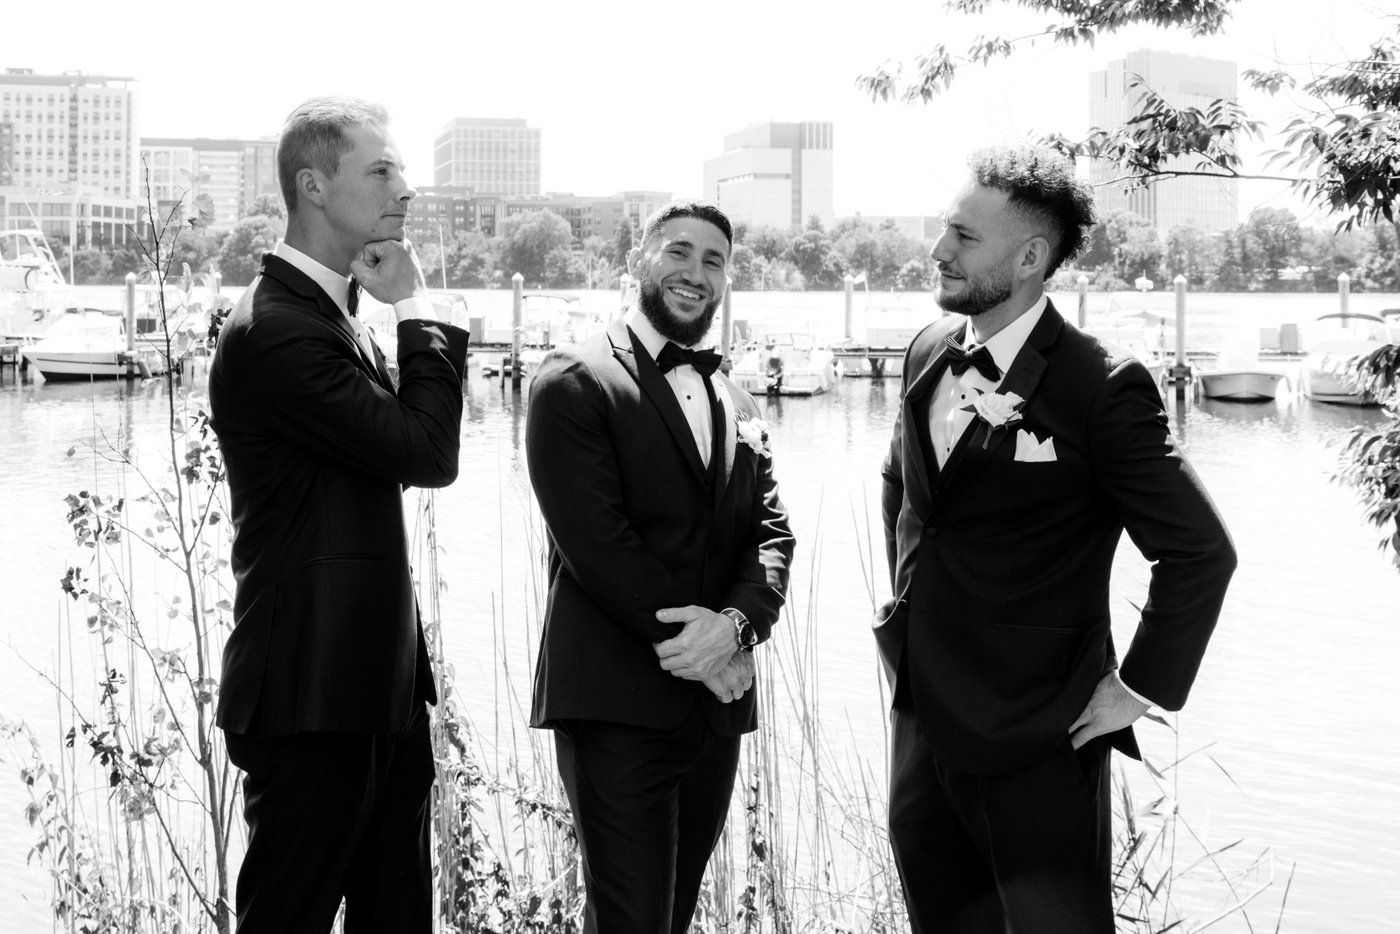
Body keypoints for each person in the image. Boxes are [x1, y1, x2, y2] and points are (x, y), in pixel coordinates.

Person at [876, 145, 1236, 933]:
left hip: (1039, 737)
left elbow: (1201, 553)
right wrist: (909, 612)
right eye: (945, 229)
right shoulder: (929, 351)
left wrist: (1137, 687)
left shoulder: (1102, 385)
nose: (938, 250)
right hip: (923, 721)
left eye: (964, 237)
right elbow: (904, 488)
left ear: (1031, 256)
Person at [208, 97, 470, 934]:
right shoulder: (276, 329)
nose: (406, 189)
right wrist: (417, 308)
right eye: (383, 170)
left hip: (375, 691)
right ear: (314, 186)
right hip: (309, 697)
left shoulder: (329, 316)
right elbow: (427, 453)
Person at [525, 200, 796, 934]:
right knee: (630, 920)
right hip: (616, 704)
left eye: (714, 260)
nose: (696, 272)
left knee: (670, 917)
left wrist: (737, 626)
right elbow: (600, 547)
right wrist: (705, 652)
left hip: (713, 714)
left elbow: (771, 535)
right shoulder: (573, 380)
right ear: (638, 263)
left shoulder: (735, 396)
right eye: (678, 252)